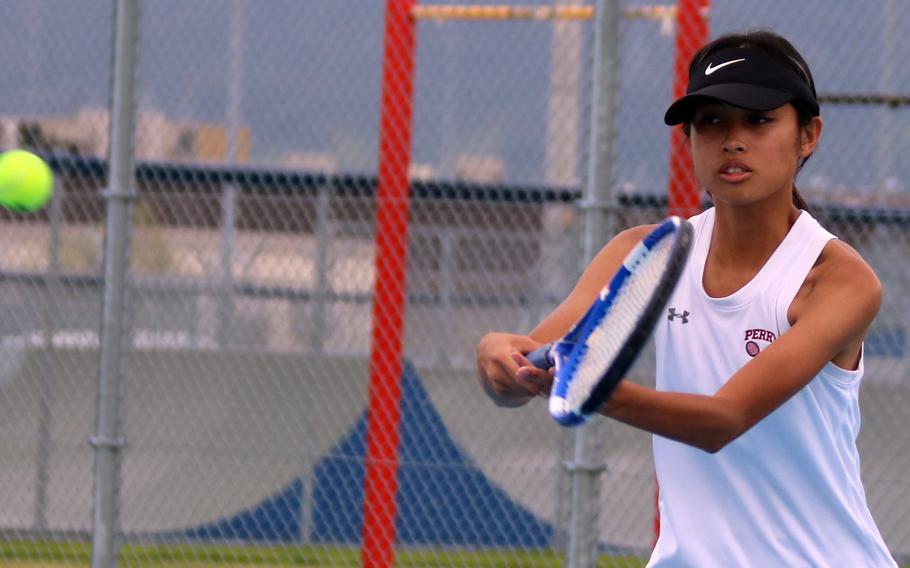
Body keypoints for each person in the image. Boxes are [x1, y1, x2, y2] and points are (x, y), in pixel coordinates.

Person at [476, 30, 897, 566]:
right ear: (690, 139)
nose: (732, 139)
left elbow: (723, 419)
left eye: (759, 119)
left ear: (808, 135)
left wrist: (594, 389)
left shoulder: (838, 280)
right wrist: (497, 359)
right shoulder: (641, 252)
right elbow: (530, 362)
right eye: (711, 121)